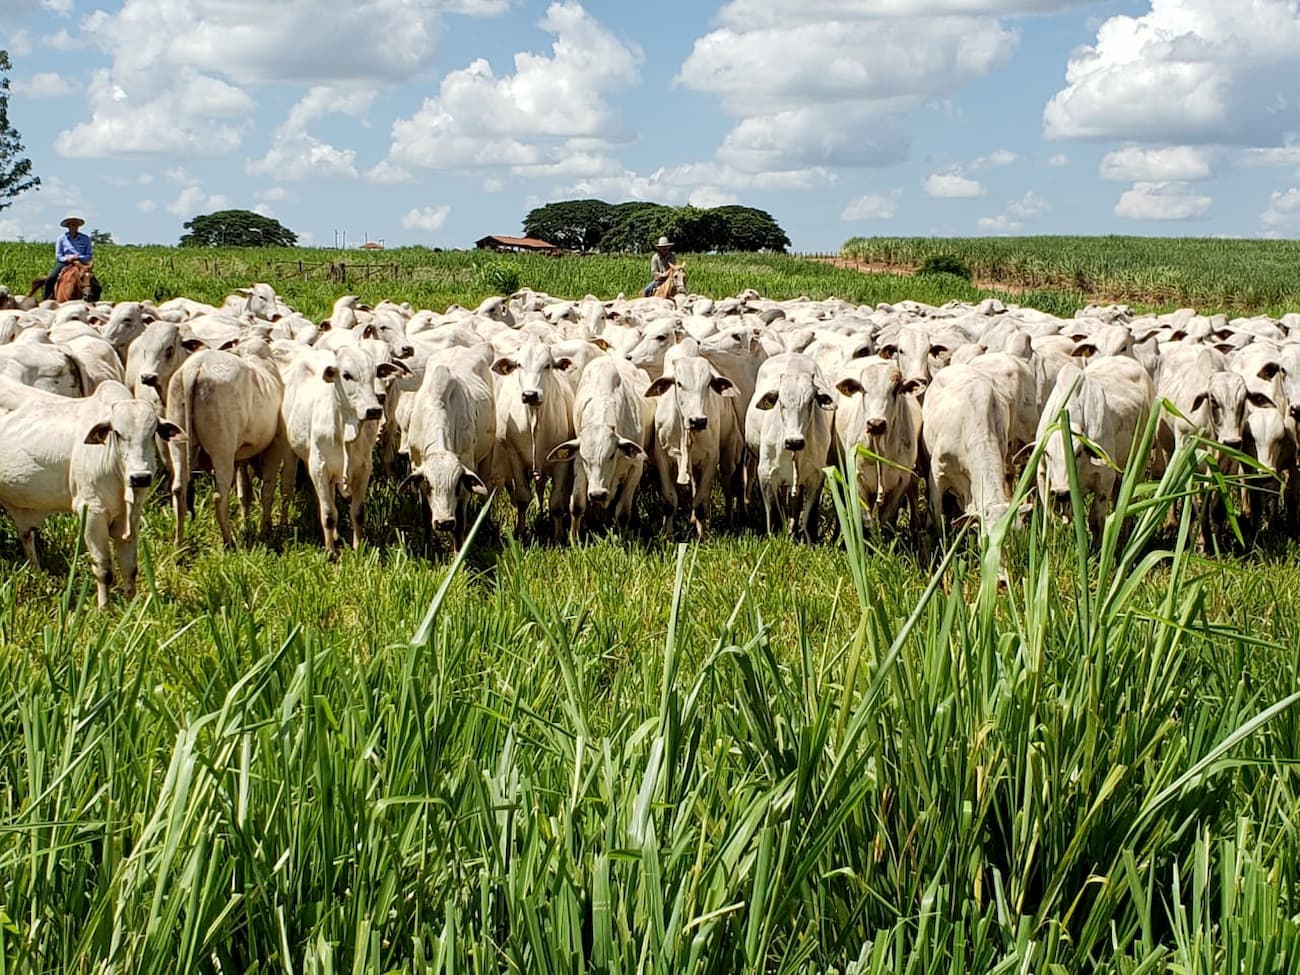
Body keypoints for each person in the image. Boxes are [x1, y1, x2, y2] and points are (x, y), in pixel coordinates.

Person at [42, 216, 94, 300]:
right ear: (68, 226)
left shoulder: (85, 238)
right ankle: (46, 299)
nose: (74, 227)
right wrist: (67, 258)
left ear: (78, 226)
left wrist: (78, 257)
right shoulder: (61, 239)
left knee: (94, 283)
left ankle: (94, 300)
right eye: (72, 224)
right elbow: (58, 256)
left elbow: (89, 255)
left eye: (76, 225)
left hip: (81, 263)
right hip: (65, 263)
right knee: (51, 278)